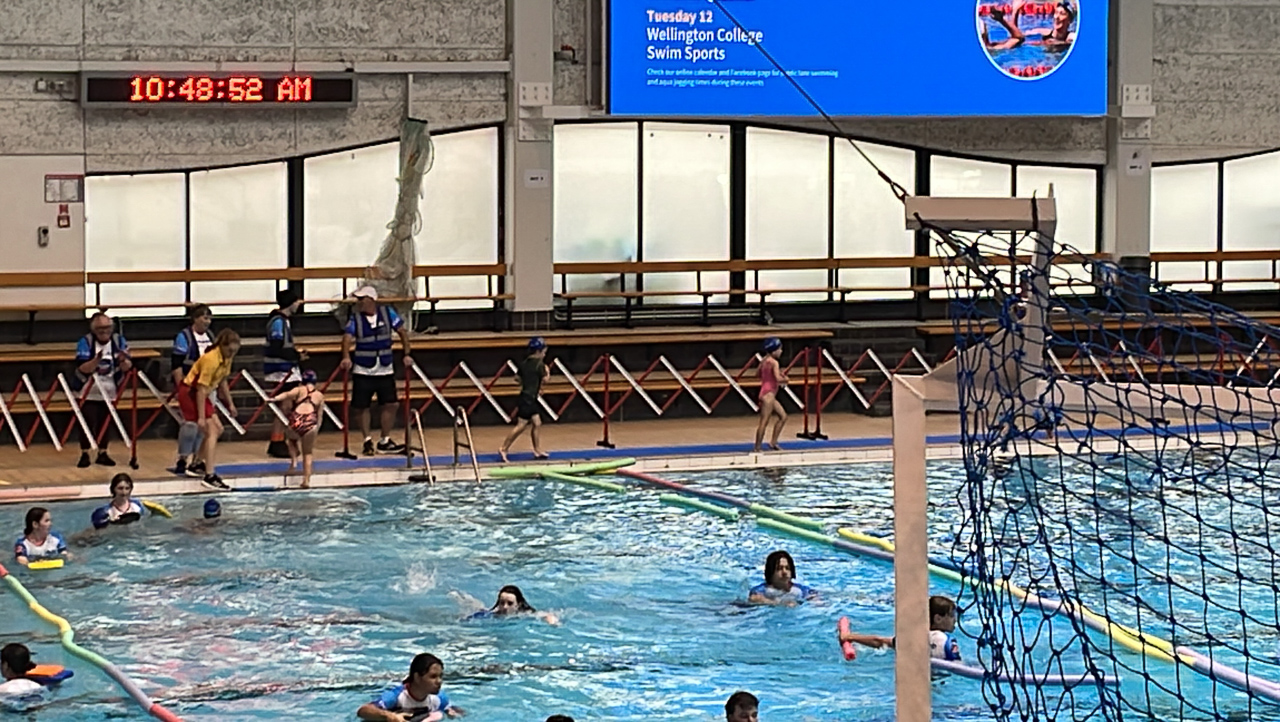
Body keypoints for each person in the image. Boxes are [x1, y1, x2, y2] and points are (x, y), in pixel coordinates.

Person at [339, 286, 411, 456]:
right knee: (361, 406)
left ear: (371, 299)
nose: (359, 303)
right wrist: (346, 357)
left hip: (385, 367)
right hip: (363, 369)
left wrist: (407, 353)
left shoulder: (388, 313)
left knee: (391, 404)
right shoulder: (355, 318)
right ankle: (367, 440)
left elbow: (402, 332)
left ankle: (385, 440)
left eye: (362, 299)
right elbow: (347, 338)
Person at [178, 329, 241, 490]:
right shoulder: (211, 359)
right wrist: (200, 417)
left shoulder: (227, 358)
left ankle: (196, 464)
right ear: (222, 346)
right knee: (211, 431)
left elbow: (223, 381)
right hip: (190, 392)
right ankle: (209, 475)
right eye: (230, 350)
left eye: (235, 351)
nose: (232, 354)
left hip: (201, 393)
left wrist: (230, 403)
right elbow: (200, 389)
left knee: (218, 429)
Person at [72, 312, 132, 468]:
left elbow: (127, 367)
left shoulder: (119, 341)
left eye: (107, 328)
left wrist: (123, 360)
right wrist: (97, 359)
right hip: (88, 389)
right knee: (87, 422)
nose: (104, 331)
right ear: (94, 329)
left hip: (110, 389)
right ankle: (85, 453)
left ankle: (103, 452)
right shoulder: (85, 342)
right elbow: (83, 367)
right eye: (100, 328)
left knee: (105, 422)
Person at [837, 595, 962, 660]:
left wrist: (850, 637)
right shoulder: (943, 641)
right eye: (951, 616)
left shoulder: (914, 637)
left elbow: (879, 641)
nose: (955, 620)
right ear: (938, 618)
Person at [171, 304, 214, 476]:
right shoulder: (184, 337)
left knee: (205, 426)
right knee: (190, 425)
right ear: (195, 319)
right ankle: (182, 457)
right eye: (205, 318)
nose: (207, 322)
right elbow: (176, 365)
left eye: (210, 318)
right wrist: (180, 387)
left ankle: (197, 459)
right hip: (189, 387)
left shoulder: (210, 337)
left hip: (206, 387)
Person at [357, 652, 464, 720]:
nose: (439, 681)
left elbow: (454, 711)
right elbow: (363, 710)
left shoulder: (440, 698)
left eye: (440, 676)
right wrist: (390, 716)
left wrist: (453, 713)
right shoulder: (396, 696)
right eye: (433, 676)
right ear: (417, 677)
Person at [265, 288, 308, 459]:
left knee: (288, 406)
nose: (298, 304)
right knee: (284, 406)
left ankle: (280, 439)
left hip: (286, 369)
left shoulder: (285, 322)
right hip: (280, 371)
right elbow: (277, 347)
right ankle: (277, 441)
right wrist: (296, 356)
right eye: (296, 301)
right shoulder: (278, 322)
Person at [269, 369, 325, 489]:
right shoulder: (319, 395)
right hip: (310, 422)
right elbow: (319, 415)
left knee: (291, 439)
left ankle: (294, 462)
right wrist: (316, 428)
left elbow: (286, 395)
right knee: (308, 453)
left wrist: (274, 399)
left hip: (297, 419)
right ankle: (306, 480)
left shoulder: (299, 389)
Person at [499, 338, 551, 463]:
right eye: (544, 352)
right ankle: (503, 448)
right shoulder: (540, 365)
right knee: (521, 425)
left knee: (537, 422)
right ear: (538, 351)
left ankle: (537, 450)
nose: (544, 355)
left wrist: (529, 384)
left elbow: (517, 378)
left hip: (526, 396)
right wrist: (548, 371)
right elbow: (545, 380)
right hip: (529, 399)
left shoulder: (524, 363)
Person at [453, 585, 560, 625]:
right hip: (486, 611)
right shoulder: (494, 614)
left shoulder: (524, 614)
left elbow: (546, 615)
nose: (505, 607)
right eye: (502, 603)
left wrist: (552, 621)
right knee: (480, 608)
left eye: (510, 603)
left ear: (518, 604)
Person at [754, 338, 788, 453]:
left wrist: (770, 376)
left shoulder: (764, 361)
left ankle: (773, 442)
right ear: (774, 351)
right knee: (764, 422)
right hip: (768, 395)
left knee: (783, 416)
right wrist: (785, 379)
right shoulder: (774, 362)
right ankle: (757, 448)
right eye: (779, 349)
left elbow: (757, 374)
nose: (781, 351)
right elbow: (778, 379)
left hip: (766, 393)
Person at [748, 550, 815, 606]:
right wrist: (780, 604)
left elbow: (814, 597)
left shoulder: (801, 590)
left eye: (787, 568)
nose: (784, 572)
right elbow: (754, 598)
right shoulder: (761, 591)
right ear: (770, 572)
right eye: (779, 569)